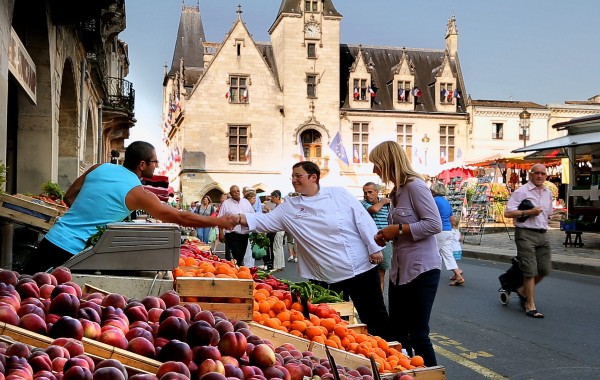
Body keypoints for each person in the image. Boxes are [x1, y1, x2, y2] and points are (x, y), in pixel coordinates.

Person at [23, 141, 237, 274]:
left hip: (53, 238)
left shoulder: (100, 167)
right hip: (72, 253)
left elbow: (69, 197)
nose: (157, 165)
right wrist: (217, 221)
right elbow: (178, 217)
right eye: (154, 161)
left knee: (21, 292)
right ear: (142, 164)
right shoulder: (136, 193)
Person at [237, 161, 391, 340]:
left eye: (298, 176)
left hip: (359, 267)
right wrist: (236, 219)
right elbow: (263, 221)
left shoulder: (338, 193)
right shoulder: (290, 205)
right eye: (292, 176)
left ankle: (392, 351)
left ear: (313, 177)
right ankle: (346, 359)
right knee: (331, 324)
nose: (293, 180)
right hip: (325, 273)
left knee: (375, 316)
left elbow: (362, 218)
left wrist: (373, 247)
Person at [370, 141, 442, 367]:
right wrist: (388, 235)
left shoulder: (415, 186)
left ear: (388, 162)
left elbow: (434, 224)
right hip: (399, 272)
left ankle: (431, 375)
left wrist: (399, 229)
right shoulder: (396, 191)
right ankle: (406, 372)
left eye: (376, 164)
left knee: (419, 334)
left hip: (421, 270)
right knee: (398, 334)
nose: (374, 170)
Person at [503, 164, 553, 319]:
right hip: (525, 234)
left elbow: (548, 214)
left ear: (546, 176)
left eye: (542, 174)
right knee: (530, 270)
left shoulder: (548, 193)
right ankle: (530, 305)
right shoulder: (521, 192)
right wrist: (528, 212)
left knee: (544, 269)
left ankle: (523, 290)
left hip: (543, 234)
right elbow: (508, 212)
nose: (539, 176)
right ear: (531, 175)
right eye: (536, 173)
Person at [430, 182, 464, 286]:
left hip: (439, 230)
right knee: (448, 254)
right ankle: (458, 275)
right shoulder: (446, 201)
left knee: (432, 253)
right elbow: (451, 217)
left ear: (434, 191)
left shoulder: (434, 201)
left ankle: (430, 275)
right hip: (448, 230)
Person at [361, 182, 392, 292]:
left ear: (376, 192)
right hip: (371, 242)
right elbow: (374, 210)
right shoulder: (364, 204)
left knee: (381, 272)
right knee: (368, 273)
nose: (367, 195)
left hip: (385, 242)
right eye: (365, 193)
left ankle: (380, 300)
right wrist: (383, 201)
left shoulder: (387, 206)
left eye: (370, 192)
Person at [218, 185, 255, 265]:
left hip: (244, 233)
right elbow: (220, 219)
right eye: (234, 191)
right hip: (232, 234)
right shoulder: (226, 204)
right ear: (230, 194)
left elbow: (253, 215)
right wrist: (221, 233)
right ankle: (238, 271)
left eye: (237, 191)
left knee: (241, 255)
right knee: (236, 255)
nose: (236, 193)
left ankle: (239, 269)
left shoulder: (246, 202)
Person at [263, 190, 285, 272]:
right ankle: (279, 265)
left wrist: (269, 211)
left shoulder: (280, 206)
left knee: (277, 247)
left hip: (279, 229)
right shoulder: (278, 206)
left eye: (273, 197)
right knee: (277, 247)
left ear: (277, 197)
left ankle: (277, 266)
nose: (271, 199)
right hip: (278, 229)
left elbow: (277, 217)